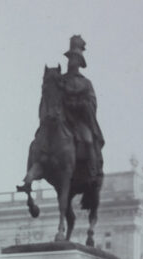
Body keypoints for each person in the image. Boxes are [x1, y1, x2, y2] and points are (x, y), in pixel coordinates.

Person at [61, 35, 104, 180]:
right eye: (70, 58)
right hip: (61, 118)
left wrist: (79, 104)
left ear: (80, 62)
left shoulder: (86, 83)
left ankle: (93, 171)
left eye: (75, 58)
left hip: (79, 121)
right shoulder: (60, 79)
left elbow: (92, 103)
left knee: (88, 140)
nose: (71, 61)